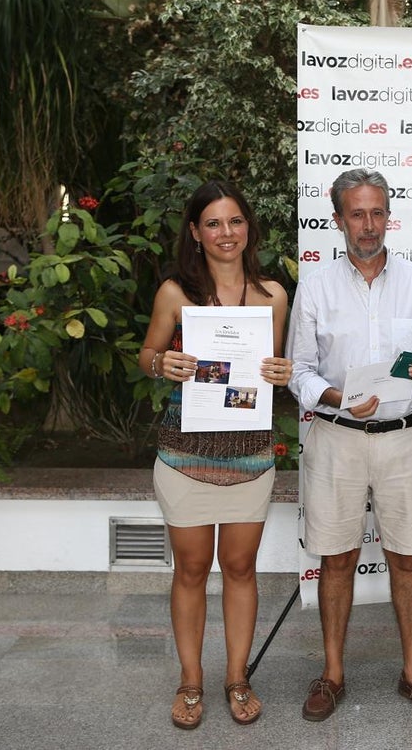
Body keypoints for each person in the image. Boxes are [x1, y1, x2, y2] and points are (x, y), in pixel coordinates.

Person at [286, 168, 412, 721]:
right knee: (336, 561)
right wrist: (335, 396)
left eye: (377, 212)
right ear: (337, 218)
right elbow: (298, 370)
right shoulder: (315, 285)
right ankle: (332, 675)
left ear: (390, 216)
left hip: (405, 441)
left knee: (407, 561)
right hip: (337, 436)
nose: (369, 225)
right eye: (357, 213)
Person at [139, 180, 293, 730]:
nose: (226, 233)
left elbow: (275, 367)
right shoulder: (175, 293)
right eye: (213, 223)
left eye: (235, 222)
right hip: (184, 454)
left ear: (248, 228)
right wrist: (165, 365)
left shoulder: (274, 294)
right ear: (195, 232)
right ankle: (190, 681)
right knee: (192, 569)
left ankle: (236, 677)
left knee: (240, 567)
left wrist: (281, 372)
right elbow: (148, 354)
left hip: (250, 452)